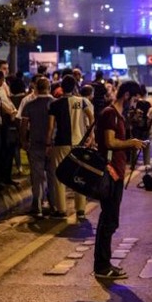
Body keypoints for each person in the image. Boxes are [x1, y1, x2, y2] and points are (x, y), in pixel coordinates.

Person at [93, 81, 146, 279]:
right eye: (134, 99)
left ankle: (104, 263)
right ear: (126, 96)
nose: (135, 104)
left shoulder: (118, 116)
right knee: (108, 220)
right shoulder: (110, 114)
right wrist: (131, 142)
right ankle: (102, 266)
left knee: (110, 220)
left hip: (117, 171)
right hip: (111, 172)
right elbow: (109, 142)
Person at [46, 75, 94, 219]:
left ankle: (61, 210)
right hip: (79, 143)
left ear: (61, 86)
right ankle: (80, 210)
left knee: (59, 176)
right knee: (79, 175)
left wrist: (48, 143)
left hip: (61, 143)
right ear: (75, 86)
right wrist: (90, 136)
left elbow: (50, 127)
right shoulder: (82, 101)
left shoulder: (54, 104)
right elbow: (91, 118)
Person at [19, 77, 55, 218]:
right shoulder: (55, 104)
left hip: (35, 143)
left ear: (36, 88)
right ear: (49, 88)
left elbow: (23, 125)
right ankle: (54, 205)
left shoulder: (30, 105)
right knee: (52, 176)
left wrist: (23, 140)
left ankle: (37, 206)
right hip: (52, 144)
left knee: (37, 176)